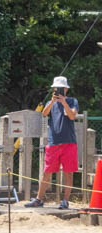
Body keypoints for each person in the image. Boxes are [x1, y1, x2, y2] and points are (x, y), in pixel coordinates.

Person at [26, 75, 79, 209]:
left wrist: (64, 103)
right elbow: (44, 114)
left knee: (68, 173)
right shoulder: (51, 103)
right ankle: (39, 199)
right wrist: (52, 102)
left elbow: (72, 116)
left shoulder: (72, 101)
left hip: (69, 142)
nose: (58, 90)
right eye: (56, 88)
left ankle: (65, 201)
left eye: (61, 88)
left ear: (66, 89)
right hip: (53, 142)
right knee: (47, 172)